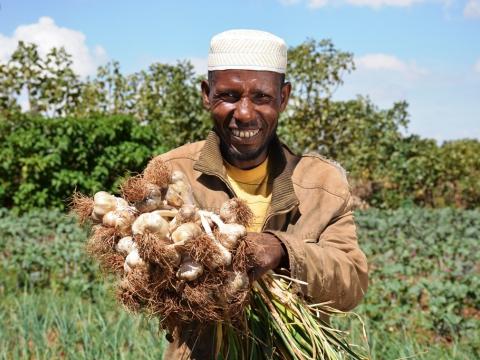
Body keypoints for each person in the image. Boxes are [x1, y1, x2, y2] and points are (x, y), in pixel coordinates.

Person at [160, 29, 368, 359]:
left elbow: (351, 284)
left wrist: (284, 251)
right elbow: (149, 281)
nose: (244, 113)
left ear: (283, 98)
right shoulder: (171, 174)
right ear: (206, 94)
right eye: (228, 96)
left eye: (262, 97)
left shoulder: (323, 183)